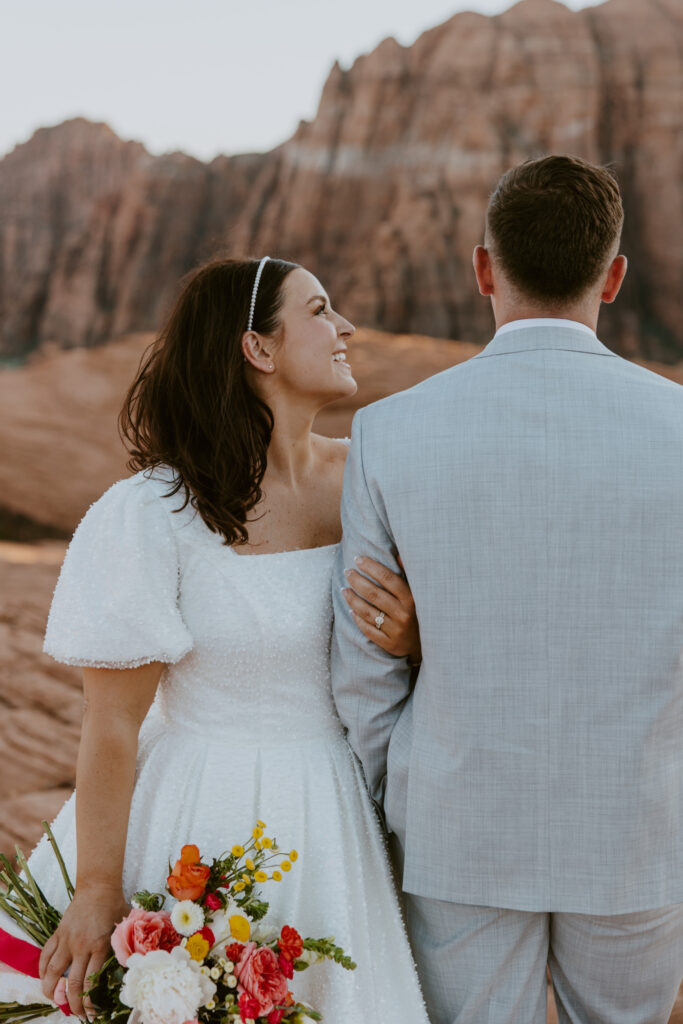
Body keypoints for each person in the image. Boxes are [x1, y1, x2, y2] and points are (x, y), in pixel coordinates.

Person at [0, 257, 430, 1022]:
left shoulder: (374, 478)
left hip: (339, 819)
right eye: (320, 310)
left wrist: (413, 639)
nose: (345, 329)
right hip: (192, 812)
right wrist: (99, 889)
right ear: (257, 349)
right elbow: (111, 722)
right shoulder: (151, 512)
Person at [332, 155, 683, 1024]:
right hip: (637, 828)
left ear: (482, 267)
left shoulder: (387, 432)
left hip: (458, 827)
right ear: (612, 278)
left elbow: (364, 662)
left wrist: (403, 795)